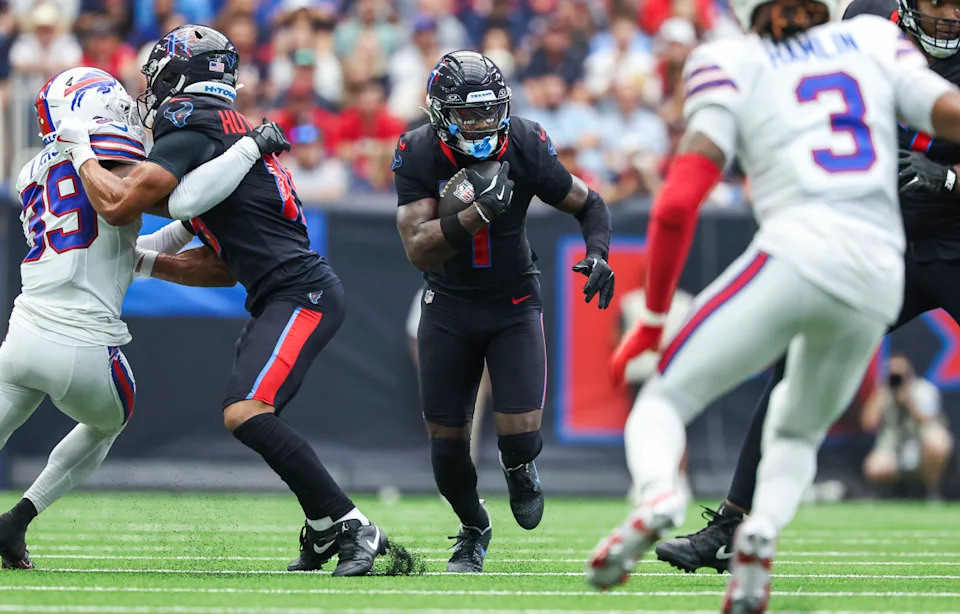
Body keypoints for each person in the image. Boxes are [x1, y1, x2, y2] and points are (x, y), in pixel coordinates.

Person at [585, 0, 960, 610]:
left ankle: (660, 494)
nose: (947, 14)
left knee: (666, 399)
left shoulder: (733, 58)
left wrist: (653, 319)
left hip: (856, 241)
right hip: (883, 253)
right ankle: (740, 527)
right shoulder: (869, 33)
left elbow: (678, 202)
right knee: (795, 402)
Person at [53, 26, 390, 577]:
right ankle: (326, 529)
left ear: (183, 75)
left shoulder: (189, 117)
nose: (152, 91)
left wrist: (80, 154)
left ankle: (352, 525)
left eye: (157, 76)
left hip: (299, 292)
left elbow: (119, 206)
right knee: (250, 412)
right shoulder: (222, 131)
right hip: (284, 291)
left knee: (247, 412)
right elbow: (221, 266)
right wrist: (140, 263)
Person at [0, 66, 251, 568]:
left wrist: (174, 236)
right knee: (110, 421)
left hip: (22, 335)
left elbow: (120, 243)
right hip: (86, 348)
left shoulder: (32, 171)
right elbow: (159, 202)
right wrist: (241, 157)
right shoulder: (105, 157)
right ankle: (18, 520)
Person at [393, 50, 616, 573]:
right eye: (469, 115)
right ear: (441, 114)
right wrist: (476, 214)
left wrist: (599, 252)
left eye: (490, 111)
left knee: (521, 438)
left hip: (514, 302)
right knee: (447, 452)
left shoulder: (526, 141)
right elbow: (418, 249)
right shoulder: (417, 150)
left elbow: (590, 204)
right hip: (447, 305)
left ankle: (520, 467)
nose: (483, 124)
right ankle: (474, 528)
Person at [863, 352, 953, 500]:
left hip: (920, 443)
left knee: (937, 442)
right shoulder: (884, 393)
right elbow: (868, 424)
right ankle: (895, 492)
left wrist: (908, 399)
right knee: (874, 467)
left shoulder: (923, 389)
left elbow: (928, 420)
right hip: (894, 446)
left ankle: (931, 490)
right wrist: (881, 391)